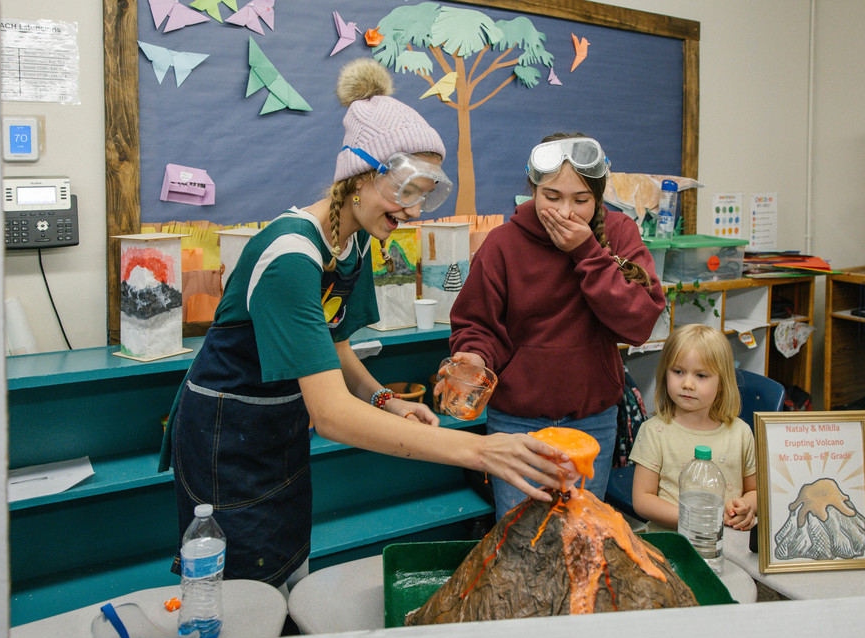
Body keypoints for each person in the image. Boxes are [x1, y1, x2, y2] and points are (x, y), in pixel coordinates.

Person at [159, 59, 566, 591]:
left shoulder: (352, 243)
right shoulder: (290, 256)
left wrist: (383, 400)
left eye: (426, 193)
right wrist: (479, 450)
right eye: (406, 189)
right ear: (358, 175)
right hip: (224, 437)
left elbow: (337, 347)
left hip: (279, 427)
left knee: (283, 559)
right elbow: (328, 413)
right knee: (237, 586)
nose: (414, 210)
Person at [443, 132, 667, 521]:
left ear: (597, 197)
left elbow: (640, 322)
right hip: (516, 422)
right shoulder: (502, 244)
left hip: (592, 419)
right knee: (519, 535)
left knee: (581, 533)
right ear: (532, 190)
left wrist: (586, 252)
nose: (565, 212)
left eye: (581, 200)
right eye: (551, 197)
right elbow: (478, 324)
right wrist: (474, 357)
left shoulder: (619, 234)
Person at [629, 323, 757, 532]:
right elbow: (642, 500)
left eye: (701, 376)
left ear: (722, 383)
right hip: (671, 545)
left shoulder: (741, 433)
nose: (687, 384)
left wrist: (746, 507)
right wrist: (695, 518)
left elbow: (755, 491)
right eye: (678, 371)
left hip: (728, 544)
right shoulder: (654, 432)